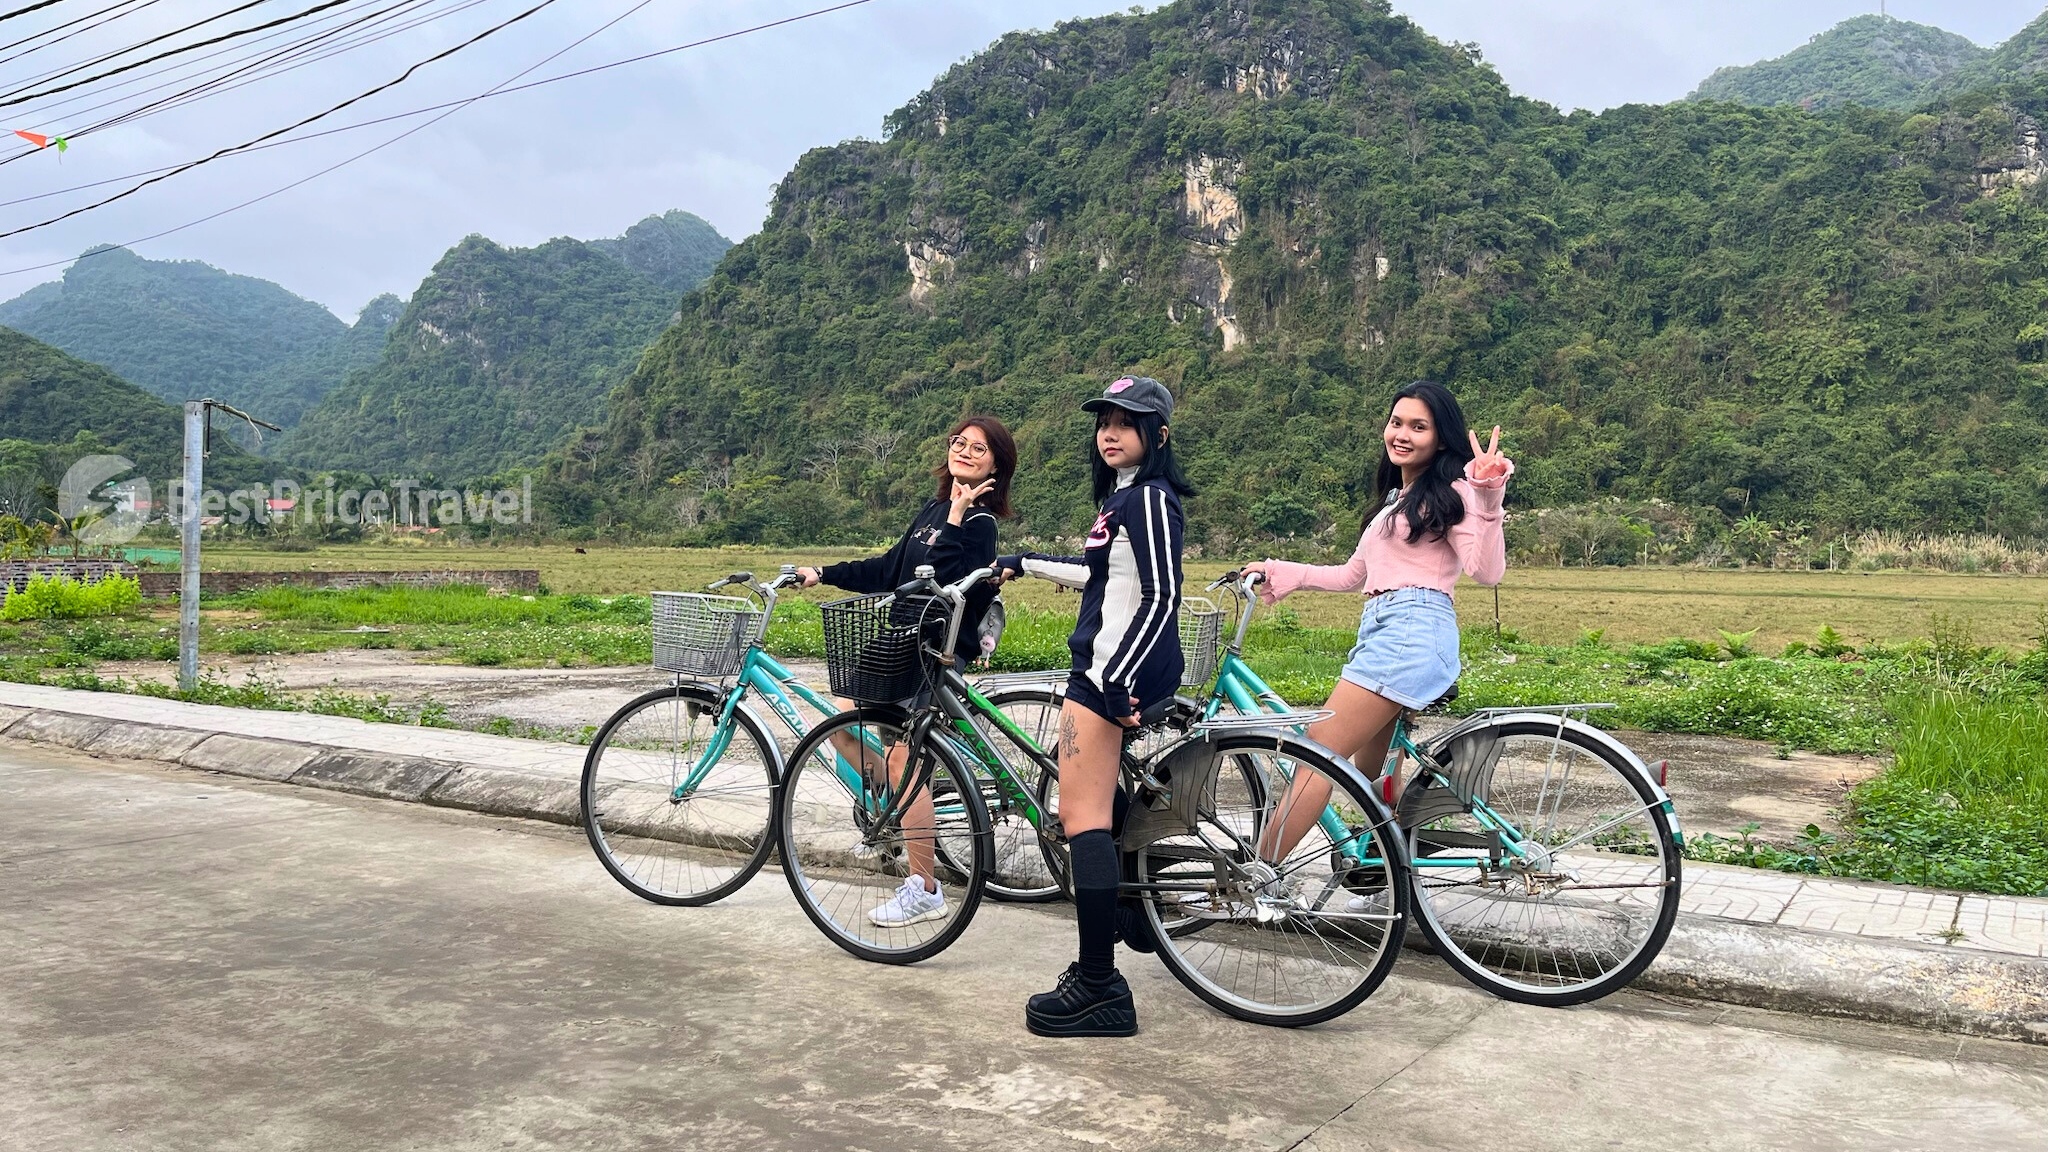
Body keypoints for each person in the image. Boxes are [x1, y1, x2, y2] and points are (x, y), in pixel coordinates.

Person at [1228, 380, 1512, 914]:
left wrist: (1489, 496)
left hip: (1410, 632)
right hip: (1386, 631)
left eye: (1418, 426)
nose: (1402, 434)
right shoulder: (1396, 503)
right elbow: (1352, 575)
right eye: (1397, 422)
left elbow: (1486, 570)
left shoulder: (1450, 495)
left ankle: (1252, 882)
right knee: (1370, 767)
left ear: (1440, 438)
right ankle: (1390, 867)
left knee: (1316, 757)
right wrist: (1279, 571)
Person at [997, 375, 1194, 1037]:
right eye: (1104, 421)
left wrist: (1116, 681)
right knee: (1097, 807)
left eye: (1127, 422)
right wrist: (1028, 563)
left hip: (1109, 675)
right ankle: (1130, 905)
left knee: (1078, 815)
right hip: (1103, 668)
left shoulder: (1151, 501)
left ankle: (1100, 985)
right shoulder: (1123, 497)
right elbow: (1105, 576)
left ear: (1157, 436)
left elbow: (1163, 597)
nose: (1110, 432)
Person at [797, 416, 1016, 929]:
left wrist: (960, 517)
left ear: (995, 465)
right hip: (896, 641)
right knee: (840, 727)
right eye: (958, 442)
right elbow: (892, 568)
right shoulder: (935, 509)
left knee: (903, 760)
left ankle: (925, 886)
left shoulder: (979, 523)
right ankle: (899, 808)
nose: (964, 451)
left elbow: (951, 584)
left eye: (978, 448)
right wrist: (822, 574)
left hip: (934, 650)